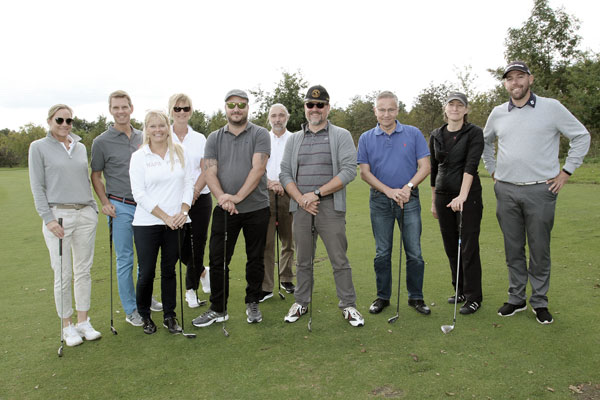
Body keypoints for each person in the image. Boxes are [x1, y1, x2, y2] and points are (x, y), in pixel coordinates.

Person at [483, 61, 590, 325]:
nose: (515, 82)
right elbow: (484, 143)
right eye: (510, 78)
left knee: (539, 249)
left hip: (541, 190)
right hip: (506, 190)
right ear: (505, 84)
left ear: (530, 79)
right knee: (513, 248)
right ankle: (516, 298)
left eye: (520, 77)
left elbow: (581, 136)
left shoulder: (551, 107)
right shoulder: (497, 113)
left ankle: (539, 302)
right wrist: (492, 169)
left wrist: (567, 171)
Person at [280, 84, 364, 327]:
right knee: (303, 259)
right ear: (305, 108)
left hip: (330, 207)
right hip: (301, 208)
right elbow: (285, 173)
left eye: (320, 105)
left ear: (328, 107)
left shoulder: (341, 135)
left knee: (339, 259)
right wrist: (301, 199)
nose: (314, 109)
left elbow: (349, 171)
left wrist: (316, 194)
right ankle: (301, 302)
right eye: (310, 105)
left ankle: (348, 305)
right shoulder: (295, 139)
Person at [192, 89, 270, 327]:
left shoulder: (260, 133)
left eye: (241, 105)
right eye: (232, 105)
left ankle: (252, 301)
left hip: (256, 207)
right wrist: (224, 199)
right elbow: (210, 171)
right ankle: (218, 308)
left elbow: (258, 169)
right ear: (225, 108)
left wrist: (236, 197)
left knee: (255, 258)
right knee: (217, 260)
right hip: (225, 210)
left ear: (248, 107)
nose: (237, 109)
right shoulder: (214, 137)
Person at [29, 104, 101, 347]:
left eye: (69, 120)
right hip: (58, 216)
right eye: (59, 120)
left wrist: (93, 208)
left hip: (84, 214)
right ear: (50, 120)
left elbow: (84, 179)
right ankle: (67, 325)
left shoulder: (80, 147)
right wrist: (48, 219)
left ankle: (83, 321)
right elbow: (37, 186)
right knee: (62, 273)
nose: (65, 124)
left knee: (83, 271)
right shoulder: (38, 147)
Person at [91, 90, 162, 328]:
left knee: (147, 260)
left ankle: (145, 298)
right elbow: (96, 175)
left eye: (124, 107)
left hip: (147, 208)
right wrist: (104, 202)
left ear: (131, 108)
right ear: (110, 110)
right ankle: (131, 310)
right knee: (125, 260)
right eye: (116, 107)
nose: (120, 111)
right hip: (120, 206)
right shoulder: (101, 142)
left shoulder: (146, 135)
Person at [357, 91, 431, 316]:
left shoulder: (413, 133)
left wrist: (407, 188)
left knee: (415, 252)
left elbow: (425, 166)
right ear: (375, 111)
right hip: (380, 200)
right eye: (382, 110)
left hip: (409, 199)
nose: (386, 114)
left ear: (397, 110)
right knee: (382, 252)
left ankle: (416, 297)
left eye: (391, 109)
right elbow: (364, 173)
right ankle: (383, 297)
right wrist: (389, 191)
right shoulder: (366, 138)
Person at [129, 110, 194, 334]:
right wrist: (165, 217)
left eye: (161, 125)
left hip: (177, 222)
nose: (158, 130)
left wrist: (183, 211)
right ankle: (145, 315)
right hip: (147, 223)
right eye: (152, 126)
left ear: (168, 126)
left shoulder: (180, 152)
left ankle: (170, 315)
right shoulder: (139, 157)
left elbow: (189, 184)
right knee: (146, 271)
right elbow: (139, 193)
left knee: (169, 270)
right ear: (146, 129)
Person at [429, 92, 484, 315]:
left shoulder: (474, 133)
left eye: (459, 105)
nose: (455, 109)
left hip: (468, 196)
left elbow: (470, 166)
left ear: (466, 109)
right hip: (443, 195)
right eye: (451, 105)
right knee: (451, 246)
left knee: (468, 246)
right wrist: (434, 201)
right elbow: (434, 170)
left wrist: (462, 196)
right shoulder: (436, 134)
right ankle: (459, 289)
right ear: (445, 108)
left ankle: (473, 297)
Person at [168, 93, 212, 309]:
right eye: (177, 109)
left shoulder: (200, 138)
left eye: (185, 108)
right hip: (172, 201)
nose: (182, 113)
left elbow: (207, 169)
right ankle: (203, 272)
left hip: (200, 198)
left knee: (198, 245)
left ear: (191, 111)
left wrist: (194, 191)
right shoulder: (162, 136)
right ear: (171, 111)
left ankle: (190, 289)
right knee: (179, 248)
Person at [260, 103, 296, 302]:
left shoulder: (295, 139)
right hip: (265, 193)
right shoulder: (261, 138)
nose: (277, 119)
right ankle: (266, 286)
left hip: (288, 193)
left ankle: (286, 277)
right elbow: (255, 167)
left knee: (288, 240)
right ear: (269, 118)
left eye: (281, 115)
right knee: (266, 242)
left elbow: (298, 167)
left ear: (287, 117)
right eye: (274, 115)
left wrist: (284, 183)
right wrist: (269, 183)